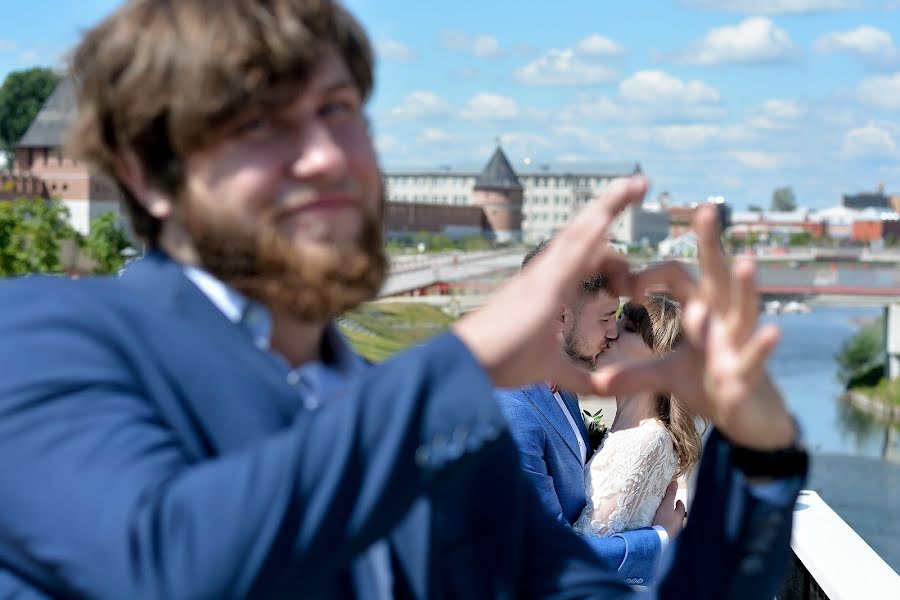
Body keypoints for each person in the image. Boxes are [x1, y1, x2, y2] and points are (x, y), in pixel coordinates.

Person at [0, 1, 806, 598]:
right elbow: (161, 567)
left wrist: (757, 452)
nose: (323, 156)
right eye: (258, 123)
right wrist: (464, 360)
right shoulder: (46, 341)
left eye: (337, 110)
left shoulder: (428, 423)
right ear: (150, 175)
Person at [495, 246, 683, 585]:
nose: (612, 331)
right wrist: (660, 540)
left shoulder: (561, 386)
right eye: (605, 317)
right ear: (560, 316)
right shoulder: (511, 410)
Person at [573, 296, 702, 539]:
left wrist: (659, 537)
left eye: (629, 328)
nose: (611, 333)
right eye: (617, 319)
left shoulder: (648, 440)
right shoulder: (624, 429)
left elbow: (587, 544)